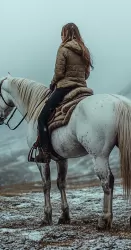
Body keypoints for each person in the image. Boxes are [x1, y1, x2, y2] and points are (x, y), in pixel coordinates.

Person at [35, 22, 94, 163]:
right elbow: (86, 74)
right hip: (81, 87)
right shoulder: (84, 49)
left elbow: (59, 72)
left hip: (65, 88)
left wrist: (52, 82)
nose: (61, 36)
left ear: (65, 34)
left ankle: (45, 152)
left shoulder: (63, 48)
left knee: (42, 118)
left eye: (62, 33)